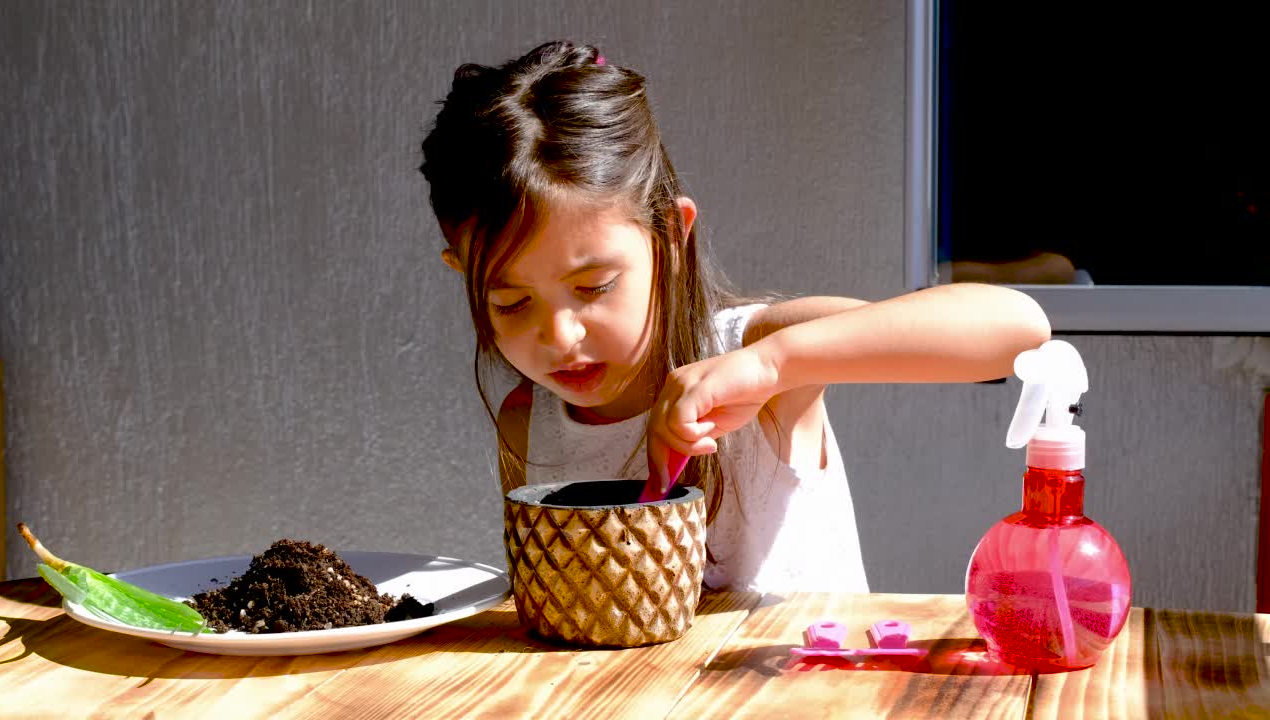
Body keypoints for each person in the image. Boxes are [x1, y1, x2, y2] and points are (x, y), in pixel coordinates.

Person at [419, 41, 1051, 592]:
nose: (560, 336)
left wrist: (772, 366)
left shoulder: (759, 355)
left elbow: (1015, 328)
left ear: (670, 236)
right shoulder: (526, 426)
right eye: (511, 302)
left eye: (594, 286)